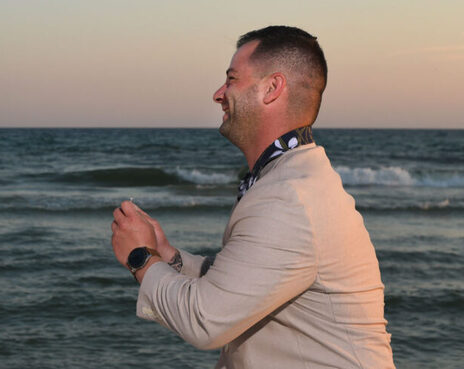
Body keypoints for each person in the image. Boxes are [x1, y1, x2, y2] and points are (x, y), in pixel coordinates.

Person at [110, 26, 394, 368]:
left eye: (231, 79)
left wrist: (140, 258)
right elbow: (238, 284)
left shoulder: (288, 199)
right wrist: (169, 256)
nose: (218, 94)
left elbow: (205, 320)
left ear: (272, 88)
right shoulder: (289, 179)